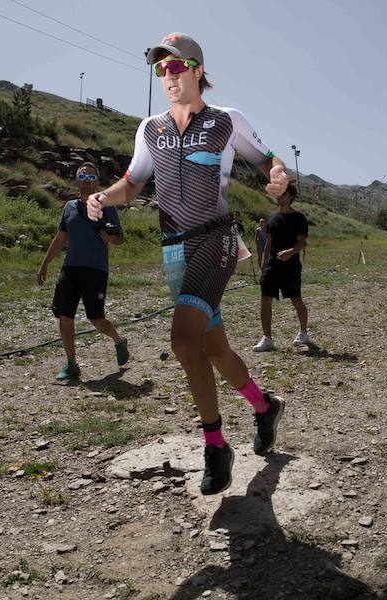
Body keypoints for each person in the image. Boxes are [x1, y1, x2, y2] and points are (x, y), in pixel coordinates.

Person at [85, 33, 287, 496]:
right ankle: (264, 406)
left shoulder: (226, 120)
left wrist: (277, 174)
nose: (168, 75)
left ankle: (216, 446)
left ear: (198, 69)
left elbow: (268, 159)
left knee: (181, 340)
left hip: (215, 240)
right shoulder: (149, 128)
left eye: (176, 66)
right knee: (213, 349)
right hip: (173, 248)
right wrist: (103, 197)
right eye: (161, 68)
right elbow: (133, 182)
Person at [37, 162, 129, 380]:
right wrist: (44, 264)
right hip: (70, 268)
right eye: (83, 176)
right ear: (76, 181)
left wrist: (110, 238)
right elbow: (61, 238)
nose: (86, 181)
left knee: (96, 319)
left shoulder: (107, 206)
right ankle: (71, 364)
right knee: (64, 315)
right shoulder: (69, 207)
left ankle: (118, 340)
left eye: (91, 177)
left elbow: (121, 238)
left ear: (96, 182)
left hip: (95, 269)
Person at [253, 182, 309, 352]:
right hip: (271, 266)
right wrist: (264, 265)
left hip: (291, 266)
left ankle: (303, 333)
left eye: (283, 193)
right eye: (278, 194)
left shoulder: (299, 218)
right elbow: (269, 242)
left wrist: (290, 252)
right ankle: (267, 338)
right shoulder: (272, 218)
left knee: (296, 299)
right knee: (265, 300)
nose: (279, 196)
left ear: (290, 196)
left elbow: (302, 243)